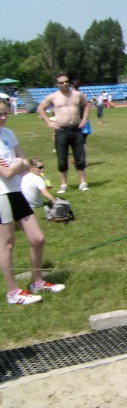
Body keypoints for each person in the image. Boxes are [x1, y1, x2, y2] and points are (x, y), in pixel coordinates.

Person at [0, 101, 65, 305]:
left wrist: (19, 163)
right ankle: (13, 293)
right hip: (2, 194)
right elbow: (7, 171)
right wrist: (18, 164)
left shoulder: (8, 133)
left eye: (5, 113)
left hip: (16, 191)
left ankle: (37, 281)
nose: (3, 117)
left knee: (37, 239)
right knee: (7, 244)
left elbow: (25, 163)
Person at [36, 73, 90, 193]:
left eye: (66, 81)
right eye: (61, 82)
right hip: (61, 131)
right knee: (62, 158)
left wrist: (84, 120)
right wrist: (48, 122)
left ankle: (83, 182)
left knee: (80, 157)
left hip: (76, 129)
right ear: (57, 84)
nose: (65, 84)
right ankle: (63, 184)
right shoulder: (53, 97)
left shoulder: (77, 95)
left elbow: (86, 106)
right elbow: (40, 108)